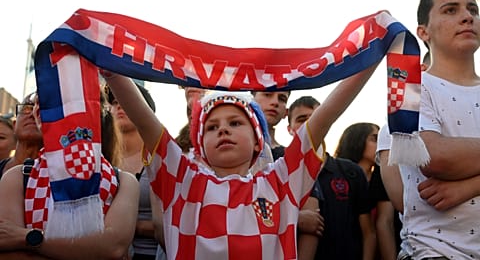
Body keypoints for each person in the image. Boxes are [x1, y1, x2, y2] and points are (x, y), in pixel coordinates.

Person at [102, 58, 378, 259]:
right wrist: (113, 74)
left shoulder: (281, 181)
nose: (222, 129)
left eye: (235, 123)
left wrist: (369, 59)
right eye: (211, 127)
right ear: (200, 145)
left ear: (259, 140)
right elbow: (145, 120)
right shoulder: (183, 180)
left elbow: (326, 116)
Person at [379, 0, 480, 258]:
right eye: (451, 10)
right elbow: (434, 156)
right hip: (433, 252)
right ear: (423, 32)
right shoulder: (408, 89)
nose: (467, 17)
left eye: (473, 9)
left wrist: (469, 186)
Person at [0, 88, 140, 259]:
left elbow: (112, 248)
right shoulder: (18, 177)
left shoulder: (124, 181)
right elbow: (11, 253)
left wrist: (26, 237)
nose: (39, 109)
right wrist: (84, 248)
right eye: (41, 103)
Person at [287, 95, 376, 260]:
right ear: (289, 129)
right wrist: (295, 219)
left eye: (316, 117)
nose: (309, 124)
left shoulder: (351, 171)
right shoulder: (280, 172)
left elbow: (368, 232)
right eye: (301, 119)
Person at [106, 82, 161, 260]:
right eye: (114, 102)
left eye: (126, 100)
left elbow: (177, 220)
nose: (120, 104)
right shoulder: (99, 158)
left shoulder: (161, 159)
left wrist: (128, 228)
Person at [0, 92, 43, 179]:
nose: (32, 114)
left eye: (40, 110)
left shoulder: (60, 179)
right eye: (26, 108)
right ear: (14, 125)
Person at [251, 91, 290, 160]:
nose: (275, 102)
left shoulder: (289, 157)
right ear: (251, 99)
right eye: (267, 94)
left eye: (282, 99)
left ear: (286, 112)